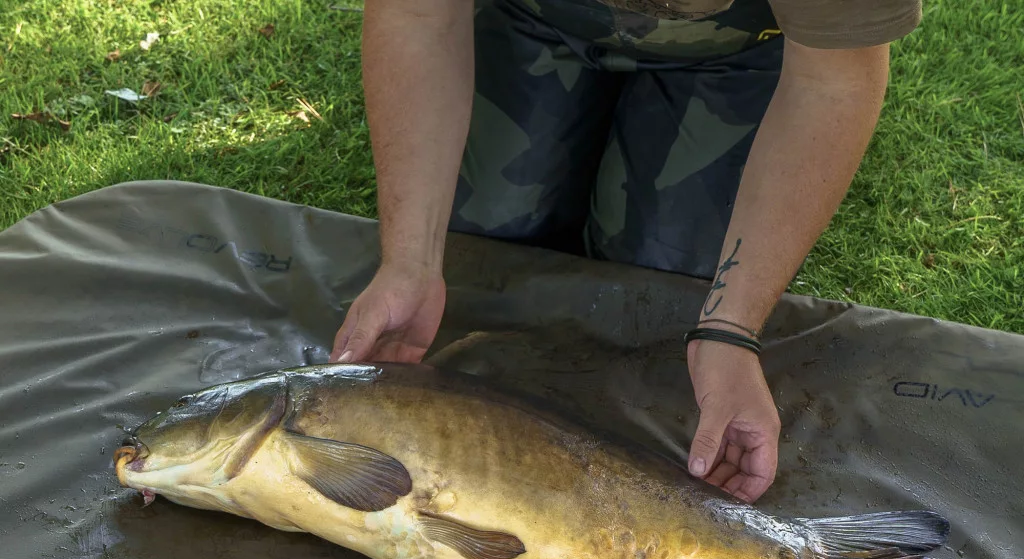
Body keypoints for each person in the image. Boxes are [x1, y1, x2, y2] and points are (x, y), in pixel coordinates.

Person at [329, 0, 920, 502]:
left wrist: (731, 330)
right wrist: (410, 260)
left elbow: (832, 82)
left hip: (738, 49)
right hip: (531, 14)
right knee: (484, 237)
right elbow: (417, 15)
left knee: (657, 284)